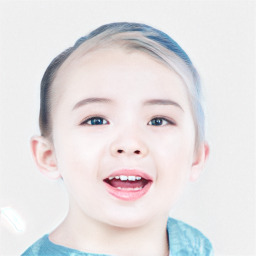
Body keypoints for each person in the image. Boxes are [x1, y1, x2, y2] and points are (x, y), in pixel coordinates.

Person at [22, 22, 213, 256]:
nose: (130, 144)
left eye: (158, 120)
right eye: (96, 120)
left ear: (196, 157)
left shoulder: (195, 245)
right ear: (48, 156)